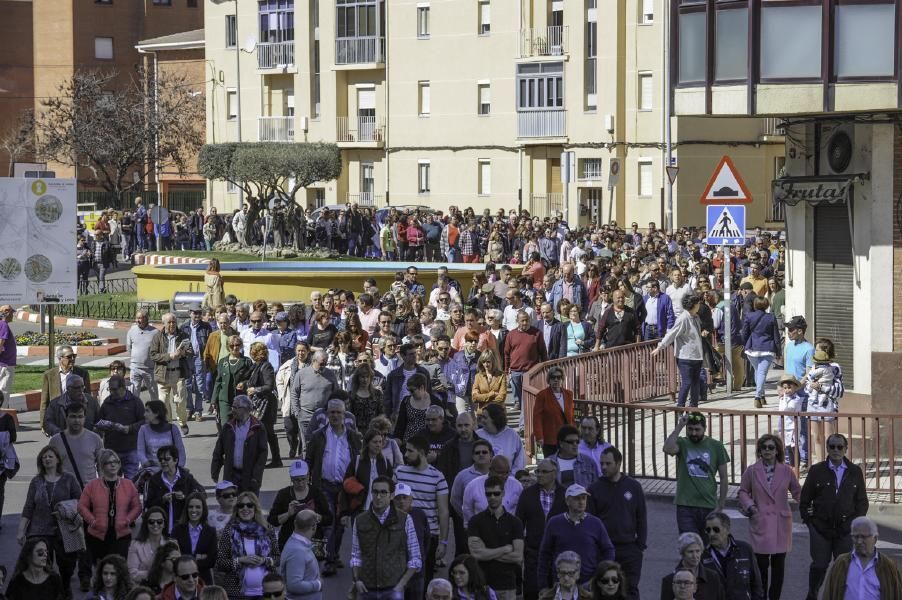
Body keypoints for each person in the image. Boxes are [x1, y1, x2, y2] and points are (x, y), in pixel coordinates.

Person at [799, 433, 869, 600]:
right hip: (820, 529)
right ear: (827, 449)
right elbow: (805, 500)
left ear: (846, 449)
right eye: (832, 447)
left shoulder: (854, 472)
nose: (836, 450)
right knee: (819, 565)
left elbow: (862, 503)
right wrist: (810, 522)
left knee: (843, 566)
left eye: (839, 447)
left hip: (845, 529)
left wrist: (853, 525)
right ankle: (813, 594)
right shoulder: (817, 470)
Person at [737, 435, 800, 600]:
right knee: (761, 566)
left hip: (781, 523)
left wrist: (813, 504)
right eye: (764, 447)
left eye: (771, 447)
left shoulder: (786, 471)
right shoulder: (751, 471)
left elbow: (798, 492)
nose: (767, 450)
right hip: (761, 522)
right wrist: (750, 506)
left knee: (779, 568)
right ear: (759, 451)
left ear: (777, 450)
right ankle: (760, 596)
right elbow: (743, 491)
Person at [17, 445, 82, 597]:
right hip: (39, 531)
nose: (46, 459)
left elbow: (81, 502)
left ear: (58, 459)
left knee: (67, 567)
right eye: (44, 457)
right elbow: (28, 507)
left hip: (65, 531)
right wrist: (21, 530)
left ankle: (65, 589)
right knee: (42, 569)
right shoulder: (36, 481)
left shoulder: (68, 479)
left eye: (50, 456)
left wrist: (66, 509)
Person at [304, 397, 359, 576]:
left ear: (345, 415)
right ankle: (329, 560)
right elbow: (309, 460)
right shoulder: (318, 436)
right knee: (330, 523)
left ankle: (333, 555)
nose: (335, 415)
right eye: (332, 412)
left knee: (341, 524)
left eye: (339, 412)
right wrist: (306, 482)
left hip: (345, 488)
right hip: (324, 486)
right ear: (327, 414)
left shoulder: (352, 436)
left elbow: (360, 460)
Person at [587, 446, 647, 600]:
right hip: (605, 549)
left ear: (619, 463)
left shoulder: (633, 486)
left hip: (629, 548)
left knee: (630, 588)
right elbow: (591, 521)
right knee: (605, 589)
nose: (604, 467)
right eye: (602, 464)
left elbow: (641, 517)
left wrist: (639, 546)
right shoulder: (595, 488)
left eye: (608, 463)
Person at [350, 476, 422, 599]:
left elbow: (415, 557)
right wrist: (357, 580)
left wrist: (401, 585)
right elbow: (356, 555)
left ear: (392, 495)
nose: (378, 497)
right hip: (366, 588)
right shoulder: (360, 520)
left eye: (383, 492)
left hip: (393, 588)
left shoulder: (405, 519)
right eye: (375, 492)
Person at [663, 413, 730, 544]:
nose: (693, 433)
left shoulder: (716, 446)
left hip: (708, 506)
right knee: (690, 546)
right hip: (685, 506)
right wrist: (680, 426)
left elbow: (723, 478)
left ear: (705, 428)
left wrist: (721, 505)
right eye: (690, 429)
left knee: (708, 548)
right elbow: (667, 448)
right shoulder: (683, 443)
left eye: (697, 430)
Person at [395, 434, 450, 584]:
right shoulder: (399, 473)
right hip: (400, 534)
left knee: (425, 581)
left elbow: (444, 511)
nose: (405, 455)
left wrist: (443, 542)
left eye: (409, 451)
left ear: (421, 452)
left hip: (428, 537)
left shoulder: (437, 477)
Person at [538, 484, 615, 589]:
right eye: (576, 498)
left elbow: (608, 550)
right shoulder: (554, 523)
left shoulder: (595, 523)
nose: (581, 502)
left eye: (584, 498)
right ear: (567, 501)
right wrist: (543, 585)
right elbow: (544, 554)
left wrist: (600, 575)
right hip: (561, 582)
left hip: (588, 583)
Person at [78, 449, 143, 562]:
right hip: (97, 535)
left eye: (116, 461)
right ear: (102, 466)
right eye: (109, 462)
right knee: (101, 570)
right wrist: (92, 521)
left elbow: (137, 506)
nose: (113, 464)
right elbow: (81, 506)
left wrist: (128, 520)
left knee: (119, 569)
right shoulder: (92, 485)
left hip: (121, 535)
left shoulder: (128, 485)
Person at [466, 475, 524, 600]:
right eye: (488, 494)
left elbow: (518, 556)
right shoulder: (475, 521)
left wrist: (487, 552)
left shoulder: (515, 522)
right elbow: (476, 554)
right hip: (483, 584)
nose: (492, 497)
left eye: (496, 493)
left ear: (503, 493)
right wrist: (505, 549)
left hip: (507, 585)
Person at [516, 458, 566, 600]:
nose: (539, 475)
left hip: (558, 554)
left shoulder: (565, 494)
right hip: (534, 553)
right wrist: (523, 548)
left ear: (554, 473)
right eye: (538, 471)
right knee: (533, 592)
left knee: (558, 592)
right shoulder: (528, 494)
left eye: (544, 472)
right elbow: (519, 522)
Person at [215, 491, 280, 599]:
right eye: (241, 506)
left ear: (255, 508)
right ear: (237, 509)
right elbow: (220, 563)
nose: (245, 508)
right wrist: (240, 560)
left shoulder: (267, 529)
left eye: (249, 505)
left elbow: (277, 557)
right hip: (237, 594)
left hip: (266, 593)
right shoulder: (229, 531)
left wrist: (264, 560)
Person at [819, 516, 902, 600]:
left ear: (875, 538)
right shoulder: (841, 563)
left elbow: (898, 594)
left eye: (863, 537)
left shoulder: (888, 566)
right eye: (855, 537)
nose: (859, 541)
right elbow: (828, 594)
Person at [652, 294, 706, 407]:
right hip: (685, 357)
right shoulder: (683, 319)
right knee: (687, 382)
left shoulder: (696, 317)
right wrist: (660, 346)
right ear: (692, 305)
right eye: (697, 304)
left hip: (697, 355)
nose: (699, 306)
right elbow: (672, 333)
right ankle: (680, 406)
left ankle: (693, 407)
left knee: (696, 382)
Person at [268, 459, 332, 551]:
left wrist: (317, 517)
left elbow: (329, 519)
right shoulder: (283, 494)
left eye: (303, 479)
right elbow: (272, 520)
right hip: (289, 543)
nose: (300, 483)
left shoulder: (316, 493)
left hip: (313, 544)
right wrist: (288, 514)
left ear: (308, 476)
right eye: (296, 480)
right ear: (291, 479)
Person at [211, 394, 268, 495]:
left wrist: (256, 477)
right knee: (231, 506)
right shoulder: (228, 427)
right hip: (231, 476)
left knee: (249, 507)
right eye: (233, 407)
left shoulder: (258, 427)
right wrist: (215, 471)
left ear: (246, 409)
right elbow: (219, 450)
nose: (233, 410)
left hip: (250, 477)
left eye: (236, 407)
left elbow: (262, 454)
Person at [700, 511, 764, 600]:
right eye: (708, 530)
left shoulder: (745, 549)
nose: (711, 534)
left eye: (716, 529)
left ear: (727, 529)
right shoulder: (702, 555)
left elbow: (756, 584)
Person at [144, 445, 204, 534]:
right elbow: (148, 504)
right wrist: (162, 500)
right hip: (161, 530)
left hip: (184, 529)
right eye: (160, 460)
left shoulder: (186, 478)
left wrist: (185, 497)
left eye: (167, 459)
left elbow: (202, 495)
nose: (163, 462)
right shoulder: (154, 480)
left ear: (175, 460)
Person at [150, 313, 193, 436]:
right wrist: (170, 356)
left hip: (178, 373)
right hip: (163, 374)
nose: (172, 324)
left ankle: (182, 423)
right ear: (164, 323)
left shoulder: (183, 335)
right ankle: (167, 424)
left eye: (173, 322)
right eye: (169, 322)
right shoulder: (157, 337)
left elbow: (190, 351)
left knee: (180, 401)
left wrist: (182, 353)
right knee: (163, 401)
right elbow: (153, 355)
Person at [95, 374, 145, 479]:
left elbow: (144, 421)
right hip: (112, 450)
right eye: (110, 389)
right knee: (111, 482)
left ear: (123, 387)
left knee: (130, 483)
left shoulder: (135, 402)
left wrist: (130, 428)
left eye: (114, 389)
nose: (112, 392)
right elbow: (99, 421)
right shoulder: (107, 403)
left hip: (130, 449)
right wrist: (105, 426)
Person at [48, 402, 104, 488]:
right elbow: (50, 468)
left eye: (80, 416)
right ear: (66, 418)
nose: (77, 420)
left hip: (89, 491)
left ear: (85, 418)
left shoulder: (95, 439)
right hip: (65, 491)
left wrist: (102, 488)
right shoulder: (55, 441)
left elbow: (101, 467)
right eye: (73, 416)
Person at [245, 341, 282, 468]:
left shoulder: (266, 366)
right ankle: (273, 458)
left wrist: (255, 390)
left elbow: (269, 385)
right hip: (259, 403)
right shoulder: (257, 365)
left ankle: (274, 459)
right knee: (264, 432)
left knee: (266, 432)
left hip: (265, 404)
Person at [39, 345, 92, 432]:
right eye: (69, 356)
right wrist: (43, 424)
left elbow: (88, 398)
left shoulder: (82, 373)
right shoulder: (49, 375)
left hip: (77, 418)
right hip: (57, 419)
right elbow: (44, 402)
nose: (72, 359)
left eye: (73, 356)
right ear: (60, 358)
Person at [741, 296, 781, 408]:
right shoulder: (771, 317)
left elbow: (744, 333)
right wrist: (779, 351)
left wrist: (744, 344)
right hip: (767, 348)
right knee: (762, 373)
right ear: (767, 305)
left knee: (758, 371)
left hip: (752, 348)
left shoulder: (749, 316)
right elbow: (776, 336)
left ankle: (762, 396)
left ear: (755, 305)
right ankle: (758, 397)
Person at [660, 533, 725, 600]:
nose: (695, 556)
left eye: (697, 551)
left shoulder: (713, 577)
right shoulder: (669, 580)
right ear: (682, 553)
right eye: (690, 552)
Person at [171, 492, 218, 585]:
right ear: (186, 509)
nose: (194, 510)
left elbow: (211, 560)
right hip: (182, 580)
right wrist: (199, 557)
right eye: (191, 507)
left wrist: (186, 560)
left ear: (203, 509)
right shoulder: (177, 530)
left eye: (198, 507)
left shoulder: (211, 531)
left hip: (204, 581)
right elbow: (174, 557)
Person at [290, 349, 339, 436]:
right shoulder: (301, 374)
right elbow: (294, 393)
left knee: (324, 445)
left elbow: (336, 395)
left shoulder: (330, 374)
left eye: (325, 364)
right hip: (305, 417)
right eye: (321, 364)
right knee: (307, 446)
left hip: (325, 416)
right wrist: (297, 412)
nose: (323, 366)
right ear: (314, 361)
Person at [279, 510, 323, 600]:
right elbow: (294, 585)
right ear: (314, 527)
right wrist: (318, 584)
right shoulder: (297, 551)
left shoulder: (297, 544)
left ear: (295, 523)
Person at [211, 334, 253, 427]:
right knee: (226, 426)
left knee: (241, 426)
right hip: (225, 399)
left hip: (241, 399)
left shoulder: (246, 361)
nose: (235, 348)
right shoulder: (222, 362)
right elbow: (218, 381)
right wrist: (214, 400)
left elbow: (252, 379)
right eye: (232, 345)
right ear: (227, 347)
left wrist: (244, 383)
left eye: (237, 345)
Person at [532, 366, 573, 457]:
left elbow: (571, 416)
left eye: (558, 377)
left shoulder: (568, 394)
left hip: (566, 438)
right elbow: (537, 418)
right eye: (553, 377)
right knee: (552, 465)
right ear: (549, 380)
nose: (556, 380)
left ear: (562, 379)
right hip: (549, 439)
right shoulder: (542, 395)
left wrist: (574, 434)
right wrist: (539, 436)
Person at [182, 304, 213, 423]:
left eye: (199, 313)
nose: (197, 315)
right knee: (187, 385)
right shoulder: (184, 327)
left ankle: (198, 411)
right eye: (195, 313)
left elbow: (209, 344)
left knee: (200, 386)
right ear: (190, 313)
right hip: (187, 359)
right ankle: (189, 409)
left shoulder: (206, 327)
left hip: (200, 358)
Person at [136, 400, 187, 470]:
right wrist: (147, 463)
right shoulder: (143, 429)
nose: (144, 414)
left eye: (147, 411)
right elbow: (140, 452)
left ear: (156, 413)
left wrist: (179, 468)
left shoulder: (172, 428)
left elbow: (180, 451)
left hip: (170, 468)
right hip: (151, 469)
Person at [477, 403, 526, 471]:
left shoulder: (512, 435)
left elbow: (520, 461)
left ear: (495, 419)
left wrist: (511, 477)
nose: (482, 420)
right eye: (482, 417)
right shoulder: (478, 435)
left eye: (485, 417)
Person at [127, 506, 169, 582]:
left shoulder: (170, 544)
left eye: (159, 521)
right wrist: (156, 574)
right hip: (142, 588)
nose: (155, 524)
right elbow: (132, 574)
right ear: (146, 524)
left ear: (164, 524)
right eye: (151, 522)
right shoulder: (135, 545)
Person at [471, 350, 507, 415]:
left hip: (498, 413)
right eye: (483, 362)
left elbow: (501, 397)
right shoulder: (477, 377)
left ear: (493, 362)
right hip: (482, 415)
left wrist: (483, 400)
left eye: (488, 362)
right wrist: (492, 394)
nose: (486, 364)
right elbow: (475, 398)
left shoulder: (501, 376)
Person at [0, 305, 16, 407]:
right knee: (3, 393)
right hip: (6, 365)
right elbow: (1, 342)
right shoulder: (3, 325)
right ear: (6, 313)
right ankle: (2, 417)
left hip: (4, 364)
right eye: (12, 313)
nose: (13, 315)